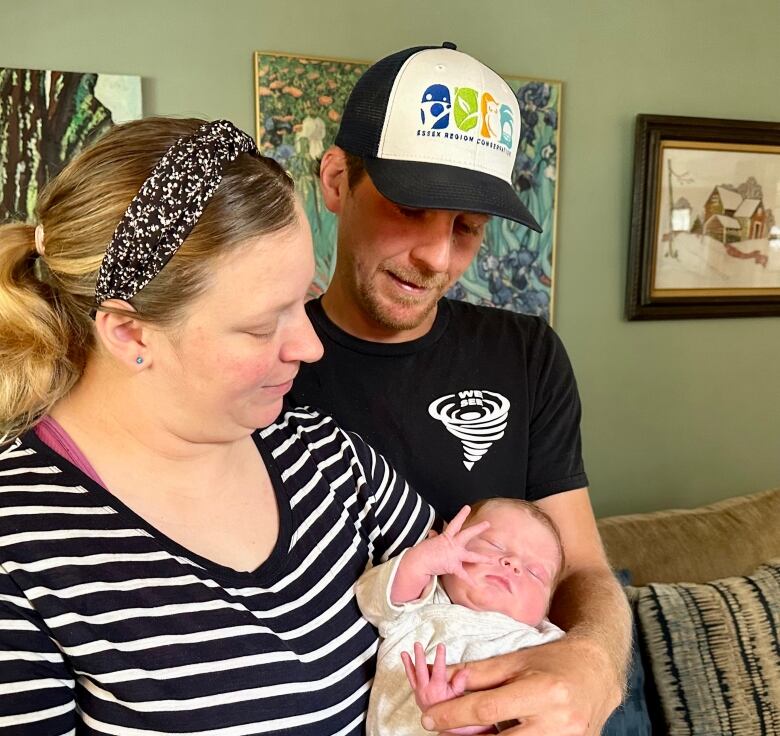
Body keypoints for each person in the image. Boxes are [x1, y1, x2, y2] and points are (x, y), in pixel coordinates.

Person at [0, 117, 436, 734]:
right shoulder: (18, 546)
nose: (310, 347)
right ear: (129, 332)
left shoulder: (324, 453)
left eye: (303, 300)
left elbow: (481, 600)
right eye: (263, 326)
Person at [290, 42, 632, 733]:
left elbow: (584, 570)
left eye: (468, 228)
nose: (437, 258)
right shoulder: (270, 366)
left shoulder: (526, 355)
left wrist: (595, 663)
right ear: (335, 181)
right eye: (412, 209)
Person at [357, 499, 566, 736]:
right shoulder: (424, 598)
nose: (513, 563)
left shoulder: (545, 642)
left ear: (547, 607)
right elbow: (372, 601)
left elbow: (557, 712)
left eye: (535, 573)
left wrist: (469, 723)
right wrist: (422, 562)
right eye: (494, 545)